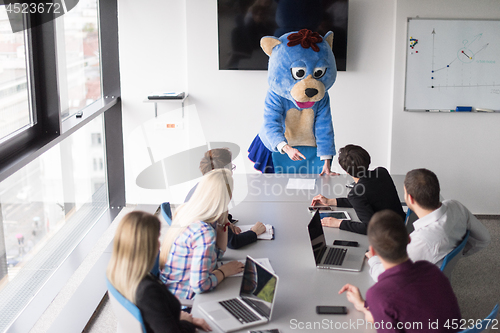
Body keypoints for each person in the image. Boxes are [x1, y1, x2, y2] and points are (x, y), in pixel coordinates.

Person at [339, 210, 461, 332]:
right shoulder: (430, 269)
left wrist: (370, 314)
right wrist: (364, 306)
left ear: (373, 251)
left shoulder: (379, 294)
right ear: (409, 239)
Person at [367, 168, 491, 281]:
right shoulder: (455, 206)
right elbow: (484, 238)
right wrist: (457, 254)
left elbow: (386, 277)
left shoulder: (422, 242)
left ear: (410, 198)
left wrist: (373, 260)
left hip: (419, 287)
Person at [106, 211, 211, 333]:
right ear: (147, 247)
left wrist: (178, 319)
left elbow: (156, 317)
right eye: (156, 238)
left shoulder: (116, 273)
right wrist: (187, 322)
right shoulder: (148, 291)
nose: (159, 243)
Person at [160, 169, 245, 300]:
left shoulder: (186, 212)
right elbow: (200, 285)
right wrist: (225, 271)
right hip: (184, 302)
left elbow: (216, 255)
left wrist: (223, 220)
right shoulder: (204, 232)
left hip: (171, 293)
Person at [311, 144, 405, 234]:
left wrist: (339, 223)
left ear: (347, 172)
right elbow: (365, 201)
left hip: (390, 235)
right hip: (403, 225)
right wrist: (330, 201)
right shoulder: (381, 172)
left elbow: (369, 227)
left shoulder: (356, 195)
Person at [185, 148, 267, 249]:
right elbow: (233, 243)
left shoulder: (201, 186)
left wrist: (227, 221)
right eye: (232, 167)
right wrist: (254, 232)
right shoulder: (215, 198)